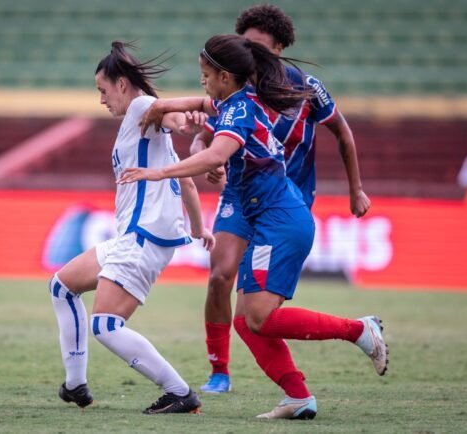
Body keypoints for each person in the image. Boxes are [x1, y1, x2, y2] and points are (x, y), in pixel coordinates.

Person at [118, 34, 388, 420]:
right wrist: (164, 104)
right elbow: (203, 104)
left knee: (258, 317)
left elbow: (216, 154)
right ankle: (297, 396)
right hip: (271, 220)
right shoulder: (236, 100)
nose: (201, 80)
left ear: (225, 77)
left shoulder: (240, 110)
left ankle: (358, 331)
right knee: (247, 322)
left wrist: (158, 172)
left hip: (280, 222)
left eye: (205, 73)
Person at [190, 4, 371, 394]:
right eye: (245, 44)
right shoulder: (234, 86)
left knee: (256, 315)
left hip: (285, 202)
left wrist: (355, 189)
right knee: (220, 274)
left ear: (279, 47)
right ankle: (219, 371)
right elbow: (202, 139)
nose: (250, 52)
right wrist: (207, 161)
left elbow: (343, 133)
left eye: (258, 46)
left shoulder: (305, 88)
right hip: (241, 195)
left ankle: (303, 384)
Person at [50, 41, 215, 414]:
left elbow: (167, 114)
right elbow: (187, 182)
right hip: (134, 236)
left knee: (106, 325)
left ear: (121, 84)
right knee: (61, 286)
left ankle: (179, 392)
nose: (101, 100)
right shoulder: (146, 128)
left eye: (103, 90)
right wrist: (199, 228)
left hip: (143, 237)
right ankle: (75, 384)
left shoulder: (142, 107)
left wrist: (192, 115)